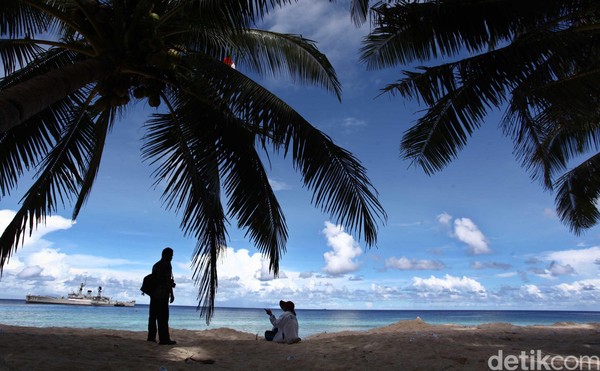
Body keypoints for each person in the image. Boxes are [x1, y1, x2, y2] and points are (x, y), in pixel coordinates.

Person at [147, 247, 176, 345]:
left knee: (153, 317)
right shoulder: (167, 265)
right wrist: (172, 294)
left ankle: (151, 338)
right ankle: (164, 339)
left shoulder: (155, 265)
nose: (172, 257)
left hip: (153, 294)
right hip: (162, 295)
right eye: (171, 255)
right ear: (166, 255)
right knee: (163, 318)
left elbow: (156, 279)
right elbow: (167, 281)